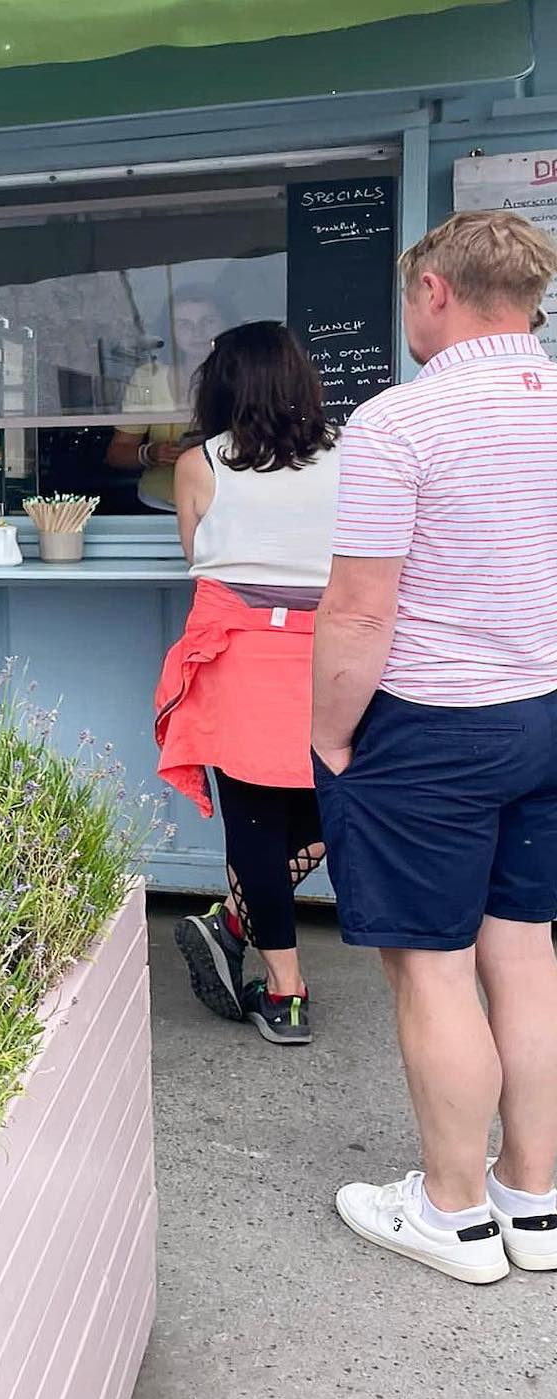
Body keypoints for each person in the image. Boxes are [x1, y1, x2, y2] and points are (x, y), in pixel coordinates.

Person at [313, 209, 557, 1285]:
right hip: (544, 711)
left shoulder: (398, 424)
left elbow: (361, 612)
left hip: (432, 729)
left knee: (436, 970)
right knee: (527, 952)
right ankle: (534, 1203)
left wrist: (328, 736)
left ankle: (454, 1215)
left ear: (436, 293)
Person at [154, 321, 340, 1045]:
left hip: (241, 659)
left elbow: (196, 554)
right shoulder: (354, 455)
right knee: (332, 805)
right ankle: (248, 933)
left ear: (223, 385)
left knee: (256, 826)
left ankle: (278, 982)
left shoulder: (201, 463)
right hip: (336, 654)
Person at [107, 286, 229, 512]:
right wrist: (150, 454)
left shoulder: (247, 375)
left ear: (228, 325)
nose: (198, 332)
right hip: (158, 506)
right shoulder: (148, 377)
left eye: (208, 321)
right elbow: (118, 452)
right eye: (184, 324)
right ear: (169, 330)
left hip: (228, 507)